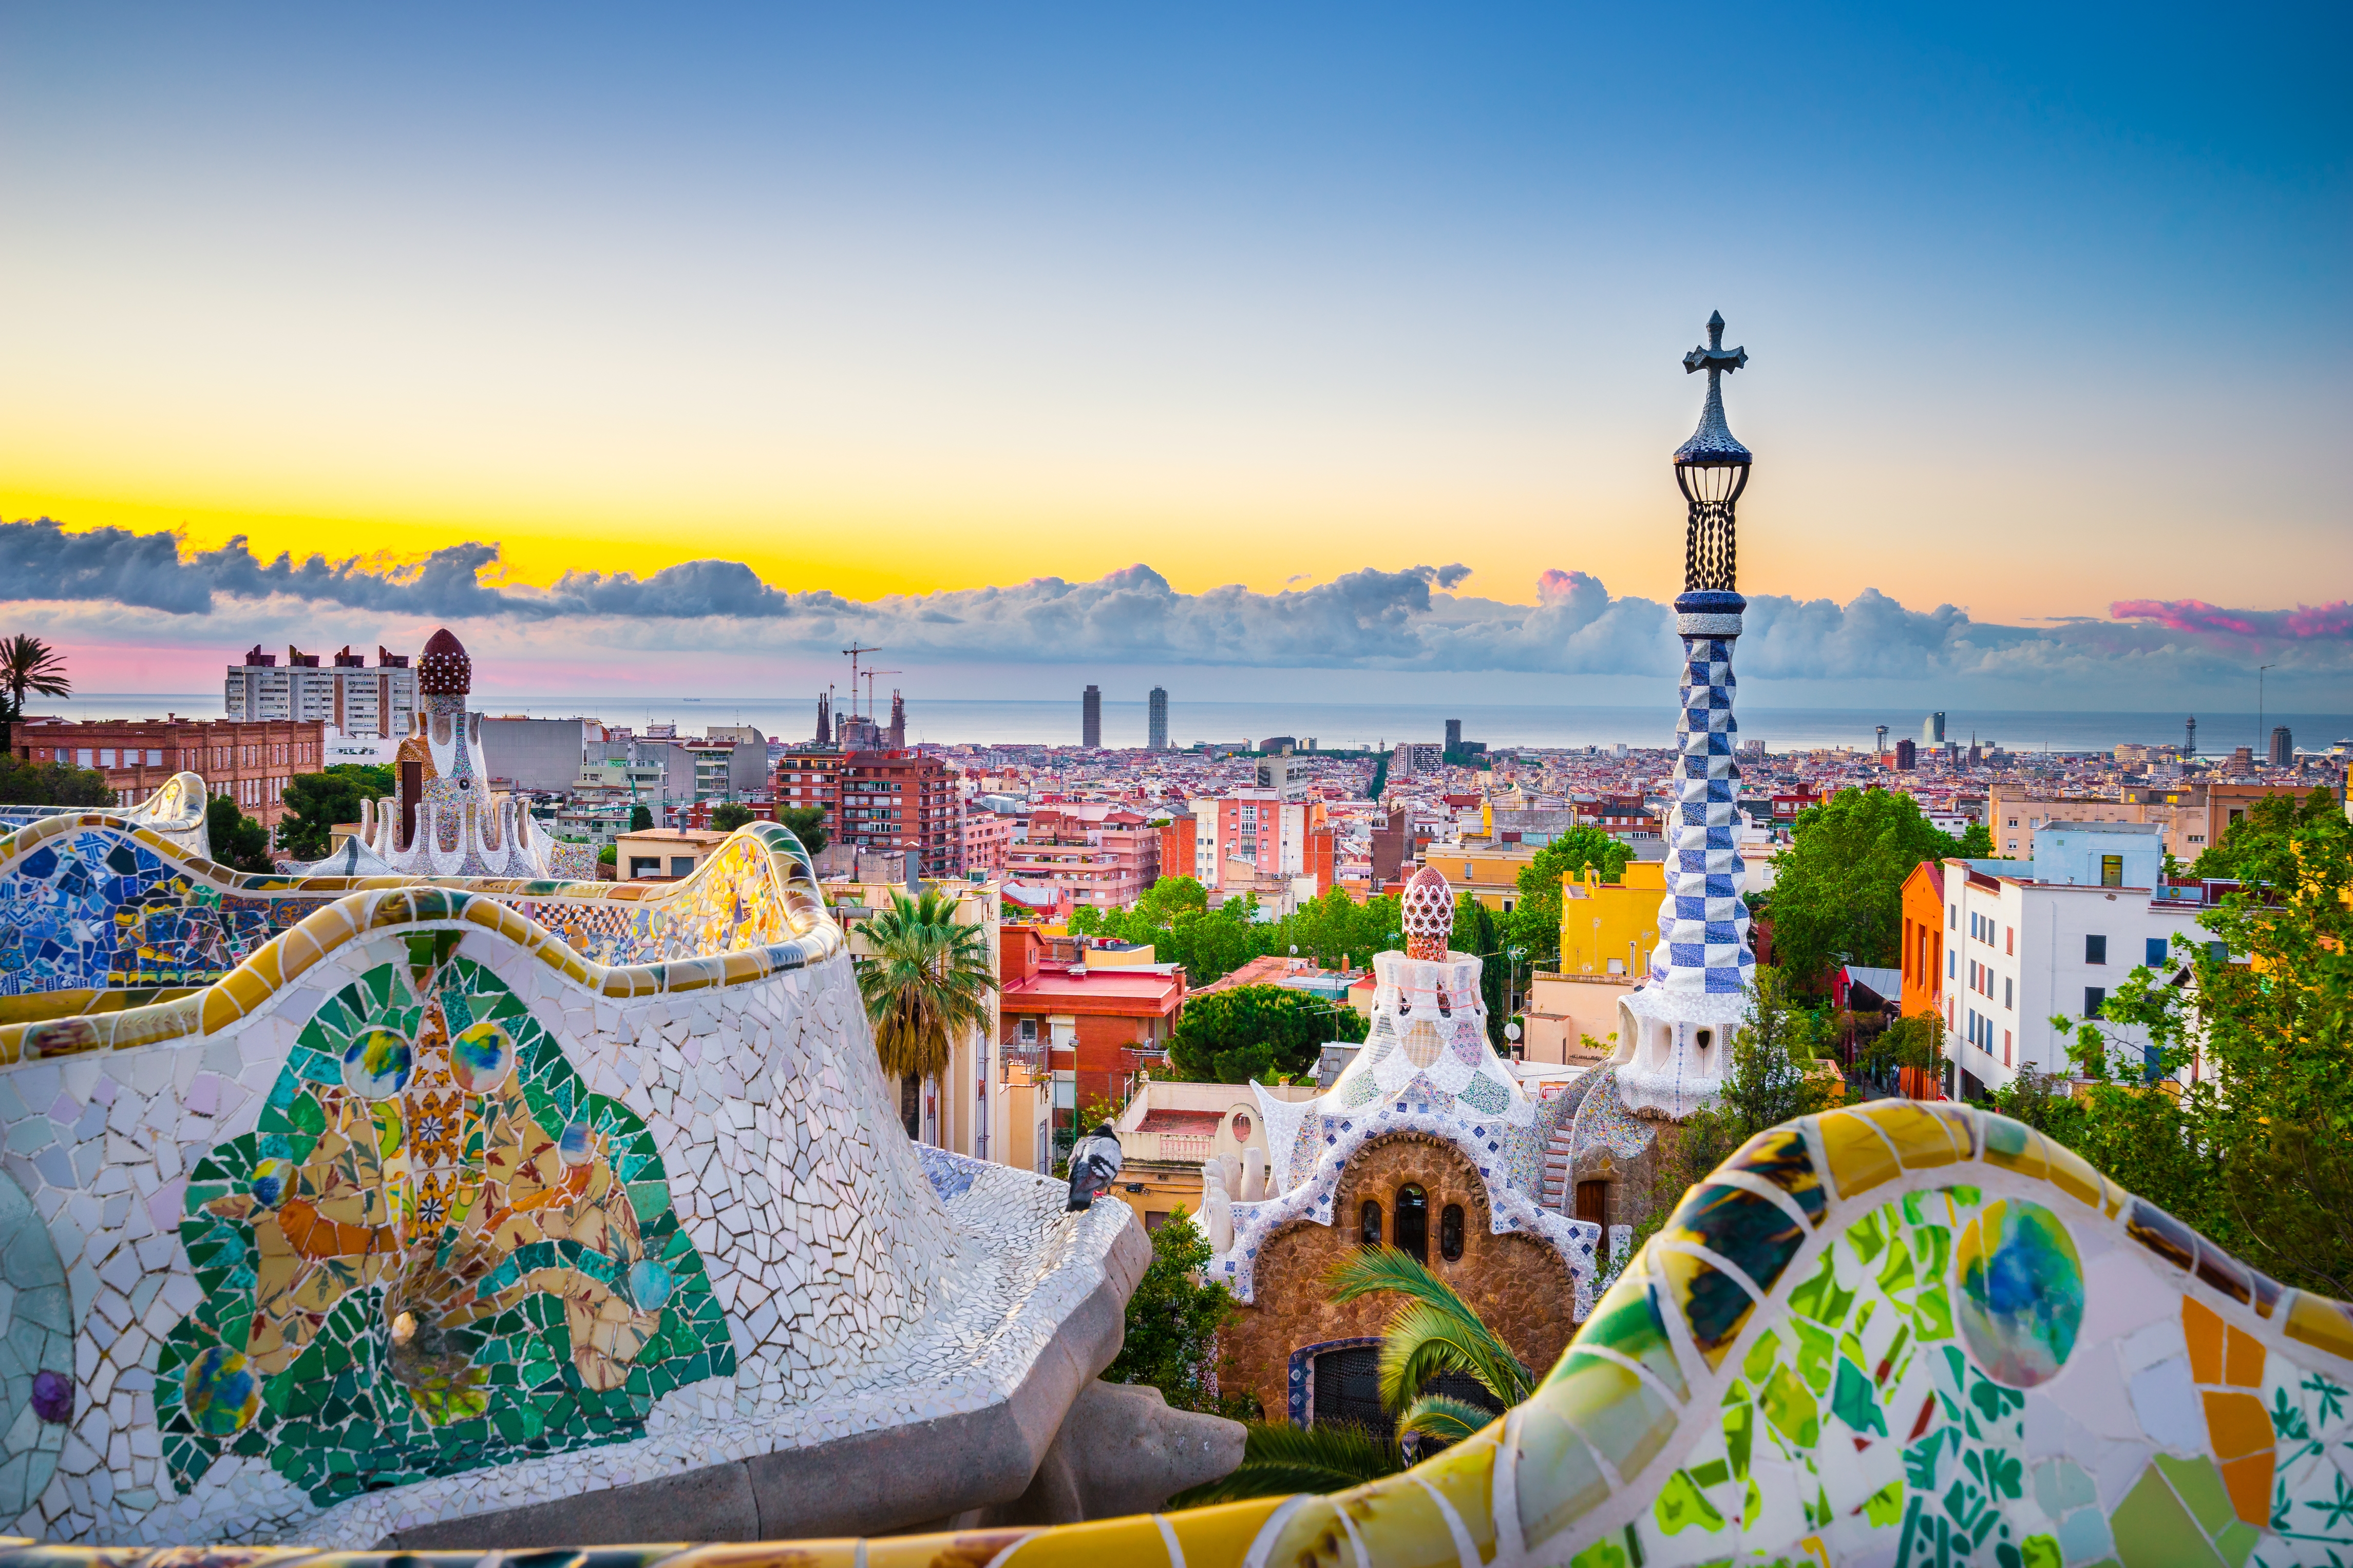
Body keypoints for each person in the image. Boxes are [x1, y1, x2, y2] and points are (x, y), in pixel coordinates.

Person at [1065, 1122, 1123, 1211]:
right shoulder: (1112, 1144)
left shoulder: (1082, 1142)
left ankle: (1076, 1199)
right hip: (1094, 1173)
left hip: (1077, 1173)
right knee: (1084, 1191)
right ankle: (1082, 1200)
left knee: (1080, 1188)